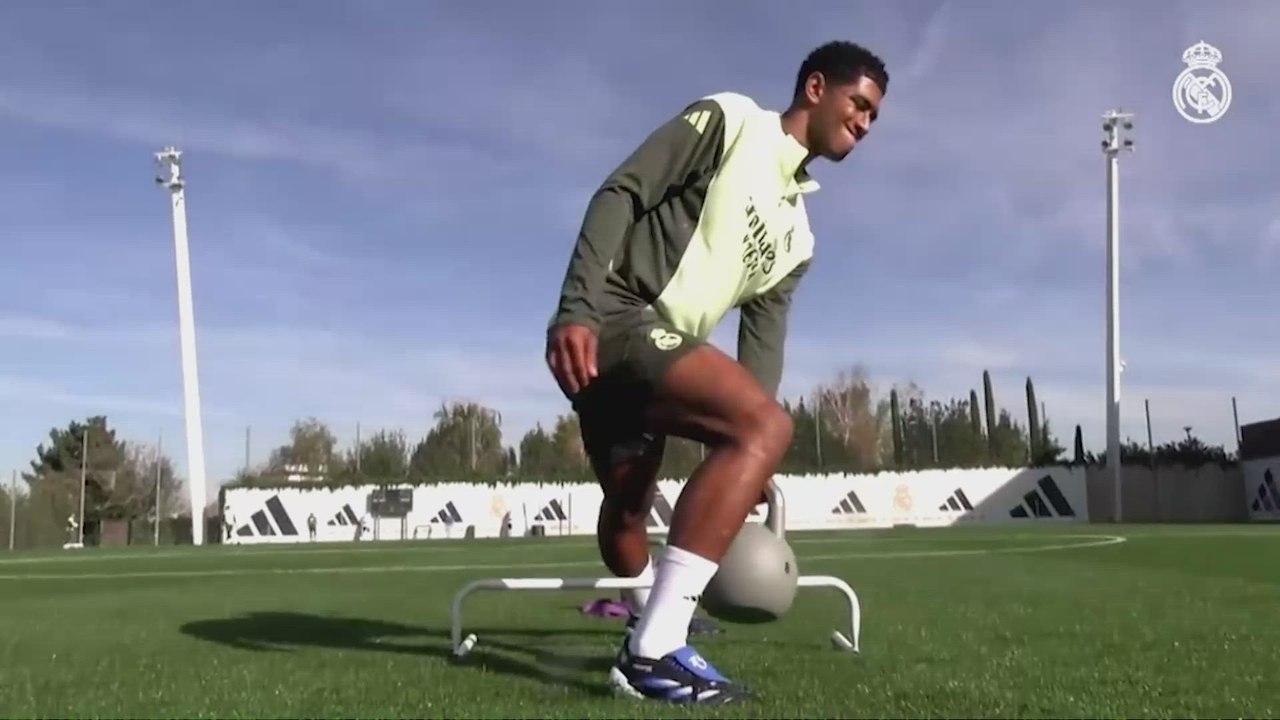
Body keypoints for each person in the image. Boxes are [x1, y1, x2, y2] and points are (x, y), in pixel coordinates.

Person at [545, 40, 887, 704]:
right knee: (763, 427)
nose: (865, 123)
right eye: (859, 104)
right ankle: (653, 651)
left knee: (627, 515)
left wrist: (750, 455)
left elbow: (763, 342)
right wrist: (577, 306)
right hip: (617, 316)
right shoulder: (732, 121)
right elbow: (622, 190)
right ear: (816, 88)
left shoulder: (799, 240)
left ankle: (645, 618)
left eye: (874, 116)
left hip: (660, 357)